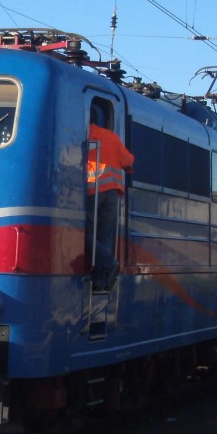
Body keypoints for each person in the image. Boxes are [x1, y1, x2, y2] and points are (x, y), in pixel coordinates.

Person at [87, 101, 134, 291]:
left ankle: (107, 263)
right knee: (104, 236)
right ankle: (100, 281)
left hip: (92, 190)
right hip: (112, 193)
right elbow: (128, 161)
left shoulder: (83, 134)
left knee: (81, 233)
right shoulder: (111, 136)